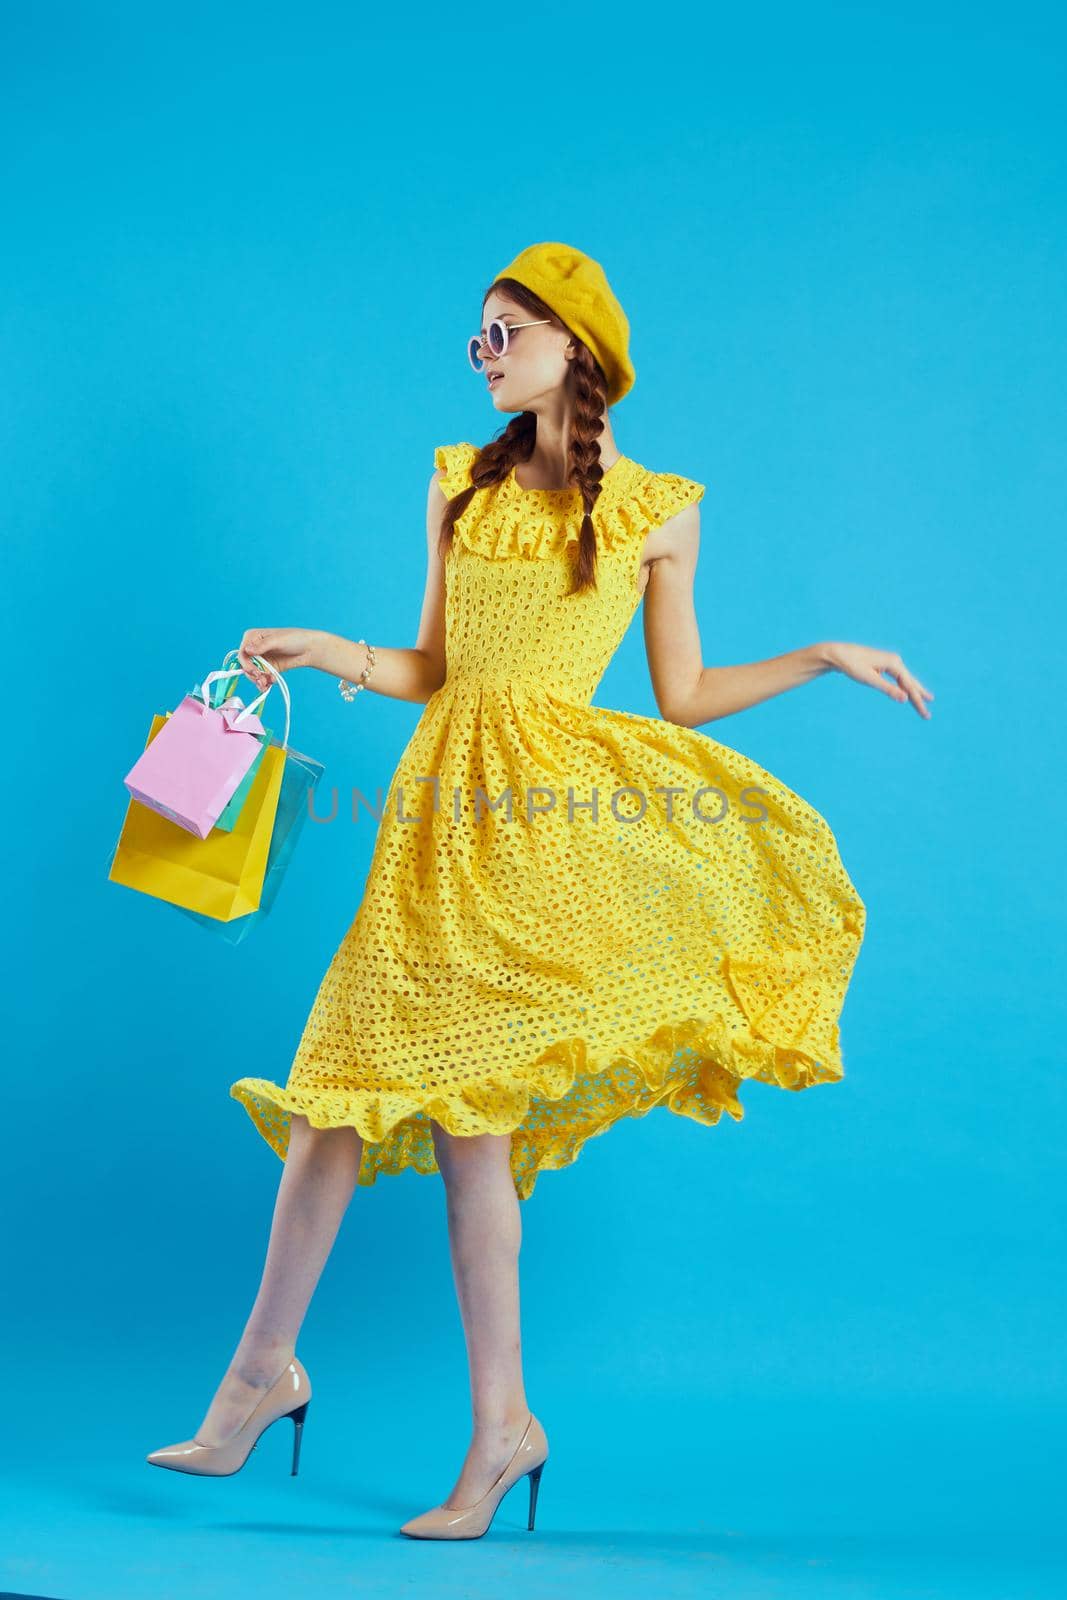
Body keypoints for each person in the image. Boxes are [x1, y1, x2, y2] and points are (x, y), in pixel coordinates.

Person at [145, 241, 933, 1539]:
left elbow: (682, 697)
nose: (486, 353)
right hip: (436, 824)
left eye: (507, 330)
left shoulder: (659, 507)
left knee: (471, 1140)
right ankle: (276, 1380)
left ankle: (486, 1429)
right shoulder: (457, 483)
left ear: (578, 348)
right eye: (477, 337)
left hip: (545, 833)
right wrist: (324, 648)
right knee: (335, 1094)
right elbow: (434, 666)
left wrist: (821, 656)